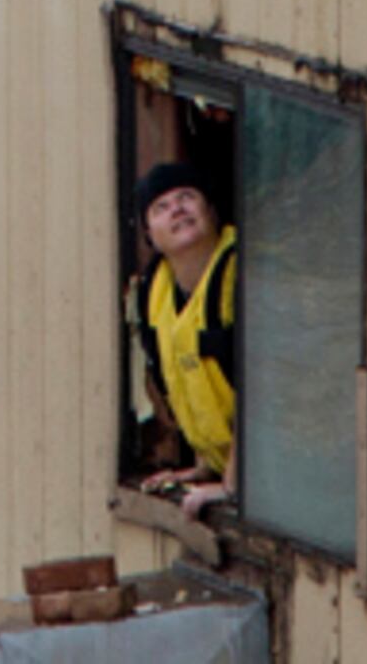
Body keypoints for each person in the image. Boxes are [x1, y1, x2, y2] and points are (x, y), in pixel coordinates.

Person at [129, 161, 238, 517]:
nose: (177, 208)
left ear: (212, 210)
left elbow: (272, 394)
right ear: (150, 234)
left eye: (187, 197)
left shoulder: (243, 275)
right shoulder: (153, 292)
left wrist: (232, 486)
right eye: (161, 207)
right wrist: (205, 467)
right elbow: (191, 379)